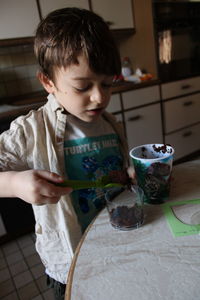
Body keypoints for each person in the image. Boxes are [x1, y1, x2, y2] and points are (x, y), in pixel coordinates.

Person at [0, 7, 131, 300]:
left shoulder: (109, 122)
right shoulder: (31, 131)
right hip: (70, 263)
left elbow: (113, 173)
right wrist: (14, 183)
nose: (99, 97)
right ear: (48, 82)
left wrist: (127, 176)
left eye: (107, 84)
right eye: (83, 86)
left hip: (114, 245)